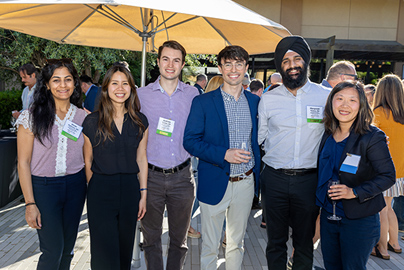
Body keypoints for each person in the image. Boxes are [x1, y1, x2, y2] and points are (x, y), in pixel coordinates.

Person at [183, 45, 261, 270]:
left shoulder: (255, 102)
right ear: (220, 68)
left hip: (245, 182)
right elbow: (190, 141)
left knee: (236, 243)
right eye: (228, 64)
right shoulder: (204, 102)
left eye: (239, 64)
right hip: (214, 179)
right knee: (209, 244)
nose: (233, 69)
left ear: (246, 67)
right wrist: (223, 154)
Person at [258, 35, 330, 270]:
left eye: (297, 58)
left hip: (309, 181)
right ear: (280, 66)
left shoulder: (325, 96)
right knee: (275, 242)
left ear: (306, 61)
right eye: (286, 61)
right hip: (274, 179)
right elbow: (260, 137)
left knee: (304, 243)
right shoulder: (268, 99)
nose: (292, 65)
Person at [16, 58, 87, 270]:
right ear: (46, 84)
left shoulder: (83, 117)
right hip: (44, 189)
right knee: (52, 251)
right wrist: (30, 204)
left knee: (67, 251)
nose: (62, 85)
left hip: (76, 187)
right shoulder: (30, 117)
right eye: (56, 80)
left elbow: (89, 158)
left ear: (74, 83)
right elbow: (23, 162)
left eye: (67, 79)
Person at [317, 81, 395, 269]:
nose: (344, 105)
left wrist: (354, 191)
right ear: (331, 103)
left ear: (361, 105)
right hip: (329, 217)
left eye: (352, 100)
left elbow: (388, 176)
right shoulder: (328, 132)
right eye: (340, 99)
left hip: (359, 220)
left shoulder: (372, 136)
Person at [137, 40, 199, 270]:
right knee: (150, 240)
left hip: (182, 177)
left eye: (176, 60)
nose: (170, 65)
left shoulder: (194, 95)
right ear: (157, 61)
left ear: (182, 64)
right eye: (165, 59)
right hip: (150, 178)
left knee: (179, 241)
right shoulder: (140, 95)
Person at [82, 64, 148, 269]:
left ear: (131, 88)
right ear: (106, 87)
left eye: (125, 83)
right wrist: (95, 187)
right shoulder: (92, 121)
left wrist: (143, 193)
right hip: (100, 189)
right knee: (103, 253)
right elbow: (88, 161)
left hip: (130, 189)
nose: (120, 88)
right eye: (115, 83)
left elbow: (142, 158)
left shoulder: (140, 121)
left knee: (124, 249)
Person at [370, 74, 404, 259]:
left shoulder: (378, 114)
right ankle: (395, 244)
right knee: (389, 208)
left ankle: (382, 249)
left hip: (382, 171)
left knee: (382, 210)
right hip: (400, 172)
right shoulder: (402, 115)